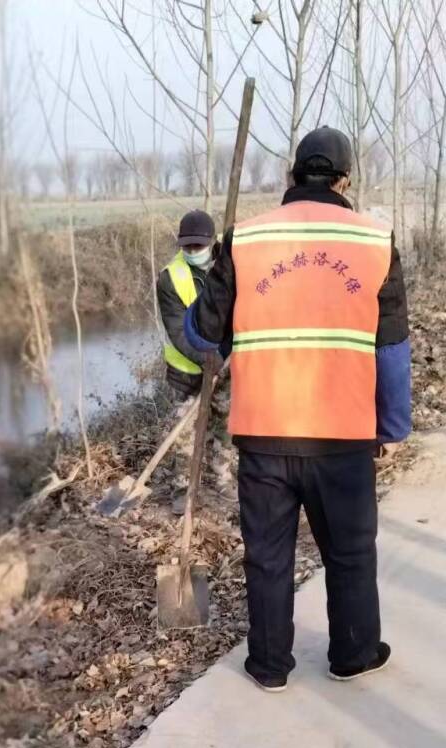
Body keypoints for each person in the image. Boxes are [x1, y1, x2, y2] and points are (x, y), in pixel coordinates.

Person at [183, 126, 411, 692]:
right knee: (352, 552)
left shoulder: (245, 240)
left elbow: (201, 336)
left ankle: (268, 665)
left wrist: (217, 333)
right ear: (346, 179)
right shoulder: (375, 242)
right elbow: (392, 351)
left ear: (290, 177)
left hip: (264, 433)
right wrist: (392, 425)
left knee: (267, 556)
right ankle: (354, 654)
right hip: (344, 434)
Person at [157, 210, 222, 400]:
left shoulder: (229, 260)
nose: (193, 252)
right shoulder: (170, 279)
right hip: (186, 378)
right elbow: (178, 331)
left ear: (211, 241)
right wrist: (211, 360)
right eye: (187, 247)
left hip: (227, 367)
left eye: (198, 246)